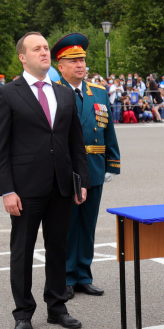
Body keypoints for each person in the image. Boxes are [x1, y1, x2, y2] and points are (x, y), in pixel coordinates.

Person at [0, 31, 89, 329]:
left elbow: (76, 142)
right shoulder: (7, 93)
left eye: (46, 48)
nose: (44, 52)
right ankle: (23, 312)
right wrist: (7, 190)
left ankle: (57, 307)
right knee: (22, 251)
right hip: (25, 188)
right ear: (23, 57)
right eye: (37, 49)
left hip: (61, 185)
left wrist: (80, 182)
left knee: (58, 248)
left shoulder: (64, 93)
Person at [52, 33, 121, 299]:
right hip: (66, 167)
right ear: (61, 66)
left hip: (93, 165)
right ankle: (66, 276)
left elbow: (108, 131)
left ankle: (83, 274)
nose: (80, 65)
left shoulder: (99, 92)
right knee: (67, 225)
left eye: (82, 59)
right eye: (73, 60)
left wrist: (111, 162)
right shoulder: (54, 92)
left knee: (88, 224)